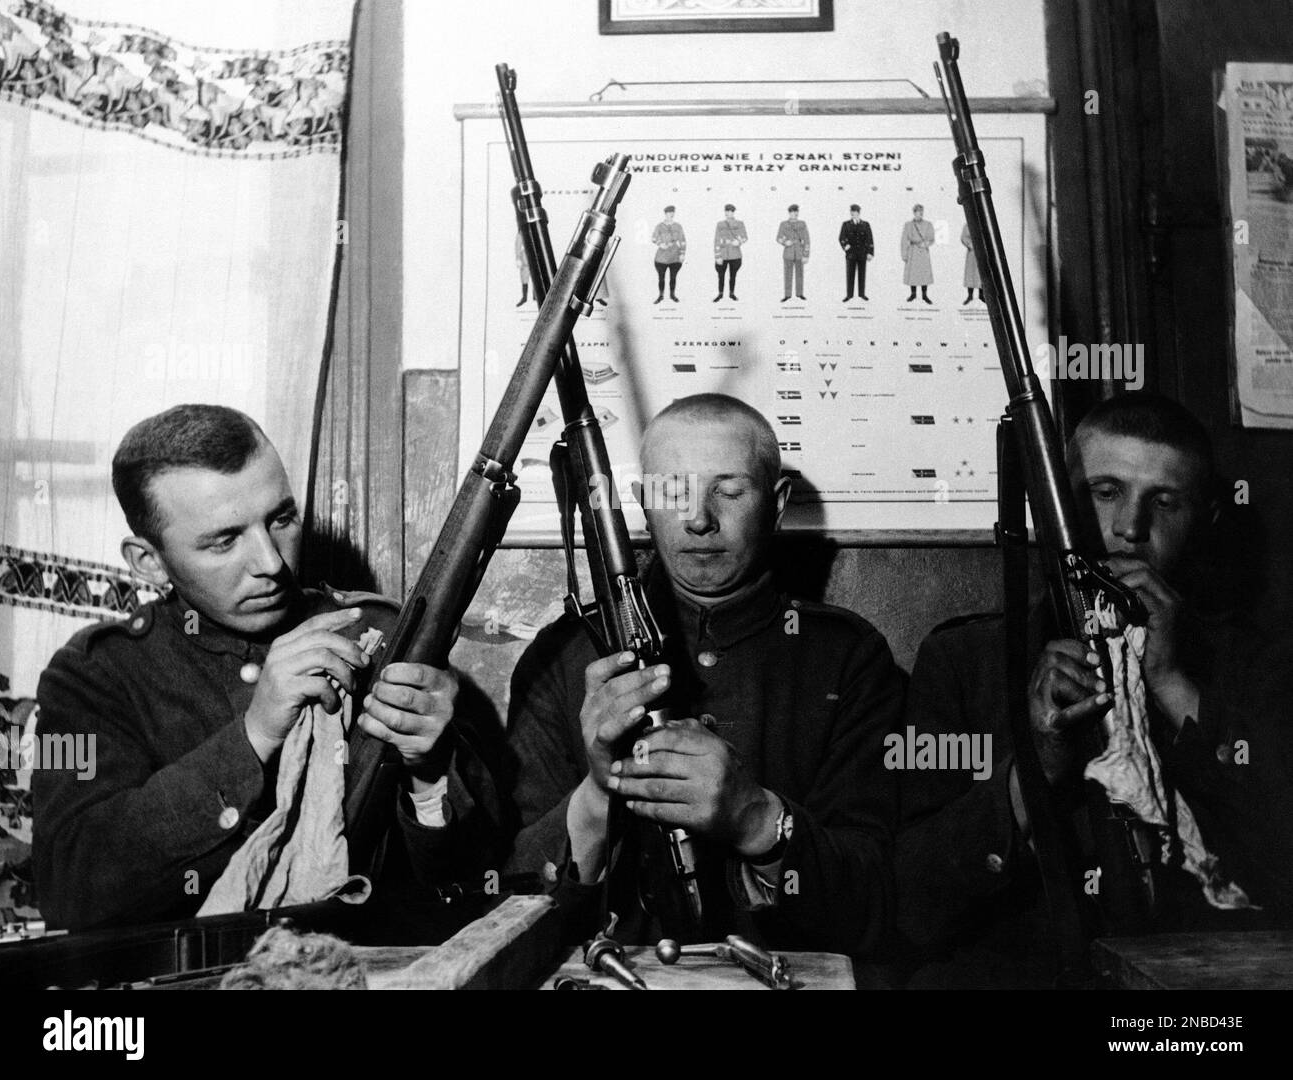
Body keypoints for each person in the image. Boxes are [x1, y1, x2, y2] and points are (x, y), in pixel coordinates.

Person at [32, 405, 494, 930]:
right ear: (149, 561)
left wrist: (430, 774)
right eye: (225, 540)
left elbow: (483, 879)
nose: (272, 564)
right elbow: (68, 891)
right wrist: (252, 736)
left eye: (281, 519)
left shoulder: (378, 633)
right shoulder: (90, 675)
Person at [894, 392, 1293, 987]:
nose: (1130, 529)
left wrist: (1174, 686)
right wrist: (1037, 767)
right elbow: (912, 904)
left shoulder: (1254, 668)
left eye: (1165, 501)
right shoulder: (966, 662)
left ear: (1205, 519)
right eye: (1105, 493)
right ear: (1056, 507)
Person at [502, 394, 903, 957]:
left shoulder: (850, 658)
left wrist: (755, 817)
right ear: (642, 503)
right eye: (673, 491)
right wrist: (598, 791)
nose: (698, 518)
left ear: (778, 502)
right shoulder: (563, 656)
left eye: (730, 491)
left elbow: (878, 907)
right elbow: (509, 907)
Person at [900, 204, 935, 304]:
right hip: (913, 251)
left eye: (922, 212)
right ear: (914, 212)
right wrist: (904, 254)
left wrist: (926, 244)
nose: (920, 214)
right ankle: (913, 294)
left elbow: (931, 237)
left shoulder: (928, 224)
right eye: (918, 212)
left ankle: (924, 295)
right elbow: (904, 240)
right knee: (913, 274)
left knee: (924, 274)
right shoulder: (908, 225)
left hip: (923, 251)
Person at [713, 204, 747, 302]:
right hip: (723, 254)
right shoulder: (720, 224)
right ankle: (720, 294)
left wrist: (739, 242)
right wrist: (717, 256)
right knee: (721, 276)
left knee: (733, 276)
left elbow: (745, 236)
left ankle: (732, 294)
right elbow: (716, 240)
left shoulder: (740, 223)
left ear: (734, 212)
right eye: (727, 211)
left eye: (731, 211)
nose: (728, 213)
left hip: (735, 254)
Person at [839, 204, 874, 302]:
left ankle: (862, 294)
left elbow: (870, 239)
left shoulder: (865, 224)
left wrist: (870, 252)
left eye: (854, 212)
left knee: (862, 274)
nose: (852, 213)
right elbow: (841, 237)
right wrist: (845, 246)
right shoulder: (846, 224)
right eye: (851, 211)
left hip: (862, 253)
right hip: (851, 254)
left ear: (858, 213)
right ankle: (849, 295)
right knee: (850, 274)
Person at [651, 205, 685, 304]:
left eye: (672, 212)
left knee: (673, 277)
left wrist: (682, 253)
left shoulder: (678, 226)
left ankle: (672, 295)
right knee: (661, 278)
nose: (671, 214)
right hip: (662, 257)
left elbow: (682, 240)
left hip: (675, 256)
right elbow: (653, 238)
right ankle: (661, 295)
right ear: (665, 213)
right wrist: (660, 244)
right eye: (669, 212)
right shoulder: (659, 226)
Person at [776, 204, 810, 302]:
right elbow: (778, 237)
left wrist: (806, 254)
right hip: (788, 252)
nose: (794, 214)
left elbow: (807, 239)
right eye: (792, 212)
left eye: (796, 212)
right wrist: (784, 242)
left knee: (800, 274)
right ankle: (787, 295)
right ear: (789, 213)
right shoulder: (783, 224)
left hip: (799, 252)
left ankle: (799, 294)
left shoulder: (802, 224)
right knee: (788, 274)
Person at [961, 223, 981, 304]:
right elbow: (964, 237)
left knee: (981, 275)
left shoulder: (984, 224)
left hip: (982, 252)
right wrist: (970, 244)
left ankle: (982, 295)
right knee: (970, 274)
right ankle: (970, 296)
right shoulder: (967, 225)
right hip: (972, 252)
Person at [515, 230, 530, 307]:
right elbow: (518, 245)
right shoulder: (521, 232)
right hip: (525, 259)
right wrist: (518, 258)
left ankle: (536, 297)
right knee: (524, 278)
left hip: (536, 257)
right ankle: (524, 297)